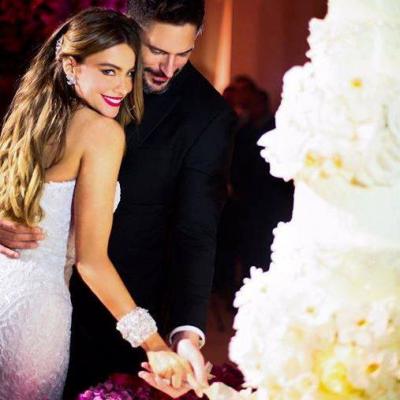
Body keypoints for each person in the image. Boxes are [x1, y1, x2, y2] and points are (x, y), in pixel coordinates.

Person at [0, 0, 235, 397]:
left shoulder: (207, 115)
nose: (168, 68)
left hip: (116, 315)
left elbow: (196, 232)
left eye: (183, 53)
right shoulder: (52, 107)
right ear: (128, 27)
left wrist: (183, 334)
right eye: (156, 50)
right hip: (39, 303)